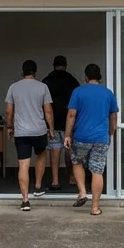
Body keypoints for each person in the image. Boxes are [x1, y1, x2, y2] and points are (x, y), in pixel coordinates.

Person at [64, 63, 118, 216]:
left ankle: (82, 192)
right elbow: (113, 116)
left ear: (86, 77)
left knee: (77, 161)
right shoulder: (108, 93)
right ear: (99, 77)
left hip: (81, 136)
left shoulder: (78, 92)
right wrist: (110, 132)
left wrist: (67, 134)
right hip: (101, 137)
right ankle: (95, 208)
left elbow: (72, 115)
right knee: (97, 170)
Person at [4, 59, 54, 210]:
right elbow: (48, 111)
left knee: (23, 165)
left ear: (22, 72)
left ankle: (25, 200)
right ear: (35, 72)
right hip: (39, 130)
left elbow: (8, 111)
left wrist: (9, 126)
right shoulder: (43, 87)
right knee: (41, 155)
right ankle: (38, 186)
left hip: (21, 132)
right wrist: (51, 128)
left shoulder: (13, 87)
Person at [41, 55, 80, 191]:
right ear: (66, 65)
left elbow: (43, 103)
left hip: (52, 121)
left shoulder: (46, 81)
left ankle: (55, 180)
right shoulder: (72, 81)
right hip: (69, 120)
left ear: (53, 65)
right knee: (69, 149)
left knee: (54, 149)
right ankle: (71, 177)